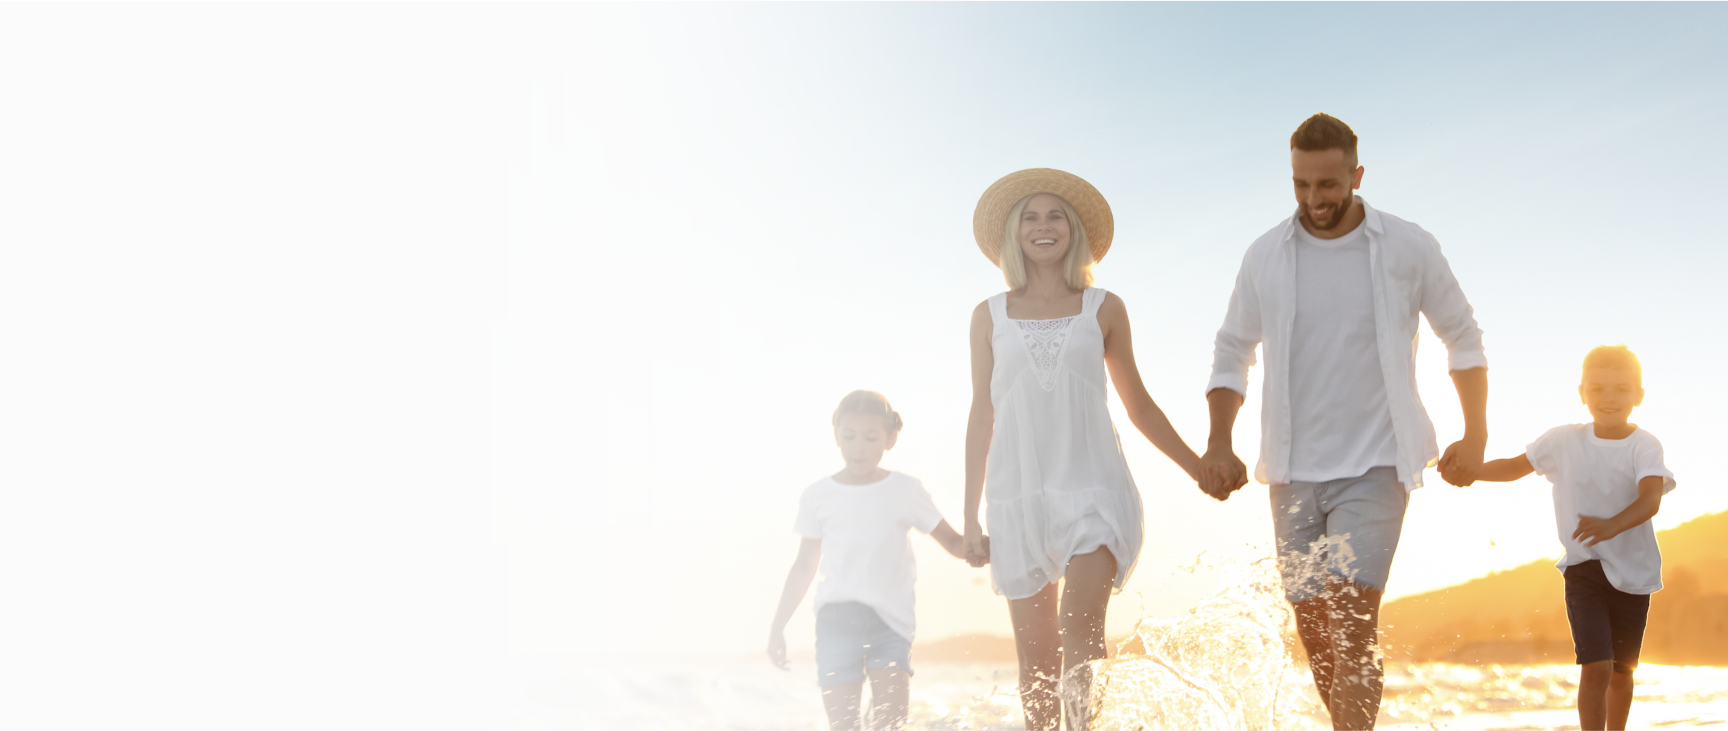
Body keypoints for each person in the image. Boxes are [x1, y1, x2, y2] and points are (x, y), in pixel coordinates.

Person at [1198, 113, 1490, 731]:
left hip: (1377, 464)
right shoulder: (1265, 256)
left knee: (1351, 620)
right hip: (1291, 472)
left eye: (1327, 185)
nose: (1313, 200)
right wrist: (1219, 442)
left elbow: (1461, 337)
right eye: (1301, 185)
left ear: (1356, 175)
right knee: (1315, 632)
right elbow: (1231, 351)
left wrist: (1476, 432)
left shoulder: (1408, 246)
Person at [963, 168, 1203, 731]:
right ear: (1013, 235)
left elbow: (1139, 405)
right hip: (1018, 496)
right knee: (1037, 660)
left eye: (1055, 216)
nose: (1043, 227)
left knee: (1080, 626)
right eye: (1030, 217)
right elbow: (981, 414)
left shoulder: (1104, 307)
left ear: (1073, 230)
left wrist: (1199, 467)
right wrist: (971, 516)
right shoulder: (988, 316)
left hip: (1093, 487)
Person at [1467, 345, 1675, 731]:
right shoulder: (1562, 441)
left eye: (1621, 389)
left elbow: (1650, 499)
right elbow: (1515, 467)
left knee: (1622, 671)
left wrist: (1612, 525)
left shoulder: (1644, 445)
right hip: (1584, 569)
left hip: (1635, 575)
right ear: (1582, 393)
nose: (1609, 398)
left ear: (1638, 396)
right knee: (1596, 665)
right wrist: (1472, 470)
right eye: (1598, 389)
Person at [767, 390, 979, 731]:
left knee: (891, 724)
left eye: (870, 437)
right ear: (836, 435)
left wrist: (982, 547)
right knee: (844, 726)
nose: (859, 447)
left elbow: (953, 542)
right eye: (849, 437)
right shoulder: (818, 496)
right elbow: (804, 566)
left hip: (890, 624)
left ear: (890, 439)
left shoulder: (907, 490)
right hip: (836, 622)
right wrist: (778, 626)